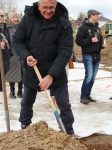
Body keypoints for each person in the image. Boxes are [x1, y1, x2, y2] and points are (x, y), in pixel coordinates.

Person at [12, 0, 74, 134]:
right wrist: (26, 55)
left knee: (64, 105)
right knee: (27, 103)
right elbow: (17, 40)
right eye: (45, 7)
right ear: (39, 6)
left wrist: (51, 75)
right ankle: (25, 128)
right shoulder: (28, 18)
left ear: (56, 6)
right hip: (32, 69)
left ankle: (68, 132)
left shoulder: (63, 22)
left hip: (56, 71)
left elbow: (65, 50)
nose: (48, 10)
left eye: (51, 7)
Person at [76, 9, 106, 104]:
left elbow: (100, 40)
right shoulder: (83, 27)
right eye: (97, 15)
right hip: (88, 55)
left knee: (92, 77)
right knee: (88, 76)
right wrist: (90, 40)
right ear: (91, 15)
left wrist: (102, 45)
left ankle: (88, 96)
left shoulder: (98, 28)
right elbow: (78, 41)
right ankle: (83, 97)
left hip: (97, 56)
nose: (98, 17)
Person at [5, 11, 23, 98]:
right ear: (9, 18)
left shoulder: (22, 27)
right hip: (11, 53)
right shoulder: (7, 28)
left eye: (16, 17)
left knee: (22, 73)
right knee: (12, 73)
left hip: (21, 53)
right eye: (13, 17)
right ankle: (12, 91)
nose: (15, 19)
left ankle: (20, 91)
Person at [0, 10, 11, 91]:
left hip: (5, 55)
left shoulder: (6, 28)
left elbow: (9, 41)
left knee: (5, 70)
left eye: (2, 15)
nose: (1, 17)